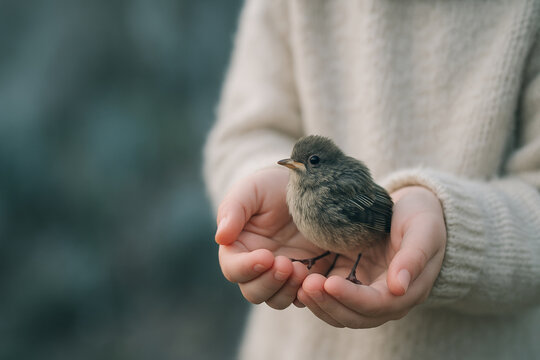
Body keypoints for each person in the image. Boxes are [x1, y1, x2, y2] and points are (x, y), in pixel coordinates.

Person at [204, 1, 540, 359]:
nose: (295, 166)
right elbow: (244, 132)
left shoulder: (336, 190)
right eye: (296, 161)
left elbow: (379, 215)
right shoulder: (296, 187)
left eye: (310, 162)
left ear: (326, 165)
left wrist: (441, 227)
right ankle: (322, 257)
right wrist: (251, 178)